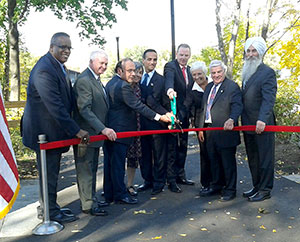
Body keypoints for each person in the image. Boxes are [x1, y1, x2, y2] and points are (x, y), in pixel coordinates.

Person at [22, 32, 89, 223]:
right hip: (44, 133)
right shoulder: (44, 70)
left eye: (69, 47)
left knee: (51, 173)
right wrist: (77, 130)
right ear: (52, 47)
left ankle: (50, 207)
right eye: (62, 47)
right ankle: (48, 212)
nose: (66, 51)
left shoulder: (58, 66)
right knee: (49, 174)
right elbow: (55, 107)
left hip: (53, 132)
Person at [103, 58, 172, 204]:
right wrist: (160, 117)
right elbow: (138, 106)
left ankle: (110, 194)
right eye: (129, 70)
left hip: (112, 129)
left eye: (134, 70)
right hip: (121, 131)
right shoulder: (123, 86)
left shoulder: (111, 82)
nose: (133, 73)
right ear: (120, 71)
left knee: (111, 164)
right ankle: (120, 194)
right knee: (117, 165)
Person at [73, 50, 117, 216]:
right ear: (91, 62)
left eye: (106, 64)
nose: (104, 67)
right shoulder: (84, 80)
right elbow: (84, 109)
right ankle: (88, 205)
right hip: (86, 134)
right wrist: (103, 129)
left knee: (91, 169)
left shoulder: (95, 80)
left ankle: (91, 200)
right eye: (101, 63)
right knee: (85, 169)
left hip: (94, 135)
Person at [197, 60, 243, 201]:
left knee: (227, 162)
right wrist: (200, 128)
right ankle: (216, 185)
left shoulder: (232, 86)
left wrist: (232, 119)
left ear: (224, 71)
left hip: (225, 131)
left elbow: (237, 106)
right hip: (209, 131)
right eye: (213, 73)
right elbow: (204, 109)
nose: (216, 75)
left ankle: (230, 189)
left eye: (219, 72)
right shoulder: (209, 87)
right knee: (213, 160)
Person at [241, 37, 277, 202]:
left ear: (260, 52)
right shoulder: (247, 72)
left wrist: (262, 119)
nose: (250, 54)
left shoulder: (267, 72)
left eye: (254, 50)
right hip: (248, 124)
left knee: (264, 158)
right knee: (253, 158)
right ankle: (256, 186)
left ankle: (265, 190)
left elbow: (268, 99)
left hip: (263, 123)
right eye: (248, 51)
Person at [137, 49, 169, 195]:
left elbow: (164, 103)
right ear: (143, 60)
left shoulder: (161, 80)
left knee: (158, 155)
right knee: (144, 154)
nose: (152, 62)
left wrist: (167, 117)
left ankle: (159, 182)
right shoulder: (136, 77)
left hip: (157, 124)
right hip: (140, 125)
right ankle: (147, 180)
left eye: (155, 59)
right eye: (149, 59)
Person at [164, 43, 195, 193]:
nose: (183, 58)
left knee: (183, 146)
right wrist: (170, 89)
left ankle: (180, 175)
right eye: (181, 55)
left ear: (189, 56)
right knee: (172, 148)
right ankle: (170, 180)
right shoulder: (170, 66)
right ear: (177, 54)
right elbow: (169, 80)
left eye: (186, 55)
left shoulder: (190, 71)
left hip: (185, 114)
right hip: (173, 115)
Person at [189, 61, 211, 195]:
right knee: (205, 154)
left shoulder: (214, 84)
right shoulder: (192, 89)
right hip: (200, 125)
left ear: (205, 73)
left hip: (216, 124)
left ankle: (219, 182)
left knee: (216, 154)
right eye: (194, 75)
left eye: (199, 74)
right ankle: (206, 183)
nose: (197, 77)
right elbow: (189, 107)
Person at [126, 61, 144, 196]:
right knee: (119, 159)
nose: (137, 75)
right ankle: (117, 186)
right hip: (124, 128)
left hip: (137, 127)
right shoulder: (124, 87)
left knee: (133, 159)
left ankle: (130, 185)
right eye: (135, 72)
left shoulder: (140, 88)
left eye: (140, 72)